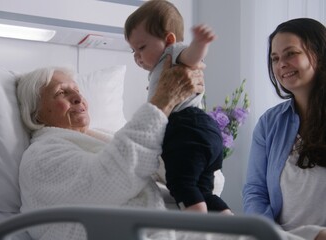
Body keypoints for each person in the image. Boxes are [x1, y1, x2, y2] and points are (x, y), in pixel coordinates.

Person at [15, 55, 206, 239]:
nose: (77, 98)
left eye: (77, 91)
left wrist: (181, 114)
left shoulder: (104, 138)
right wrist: (163, 100)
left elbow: (195, 179)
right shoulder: (40, 156)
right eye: (61, 92)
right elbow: (108, 180)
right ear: (36, 114)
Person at [124, 0, 232, 215]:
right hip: (205, 130)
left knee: (180, 183)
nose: (137, 56)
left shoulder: (173, 52)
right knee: (204, 191)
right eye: (133, 51)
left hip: (186, 128)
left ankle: (195, 224)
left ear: (169, 39)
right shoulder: (160, 69)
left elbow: (191, 56)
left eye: (142, 47)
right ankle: (228, 220)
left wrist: (200, 43)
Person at [242, 18, 326, 240]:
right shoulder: (269, 123)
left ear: (319, 53)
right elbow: (255, 191)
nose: (281, 64)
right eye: (275, 58)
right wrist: (269, 234)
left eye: (291, 53)